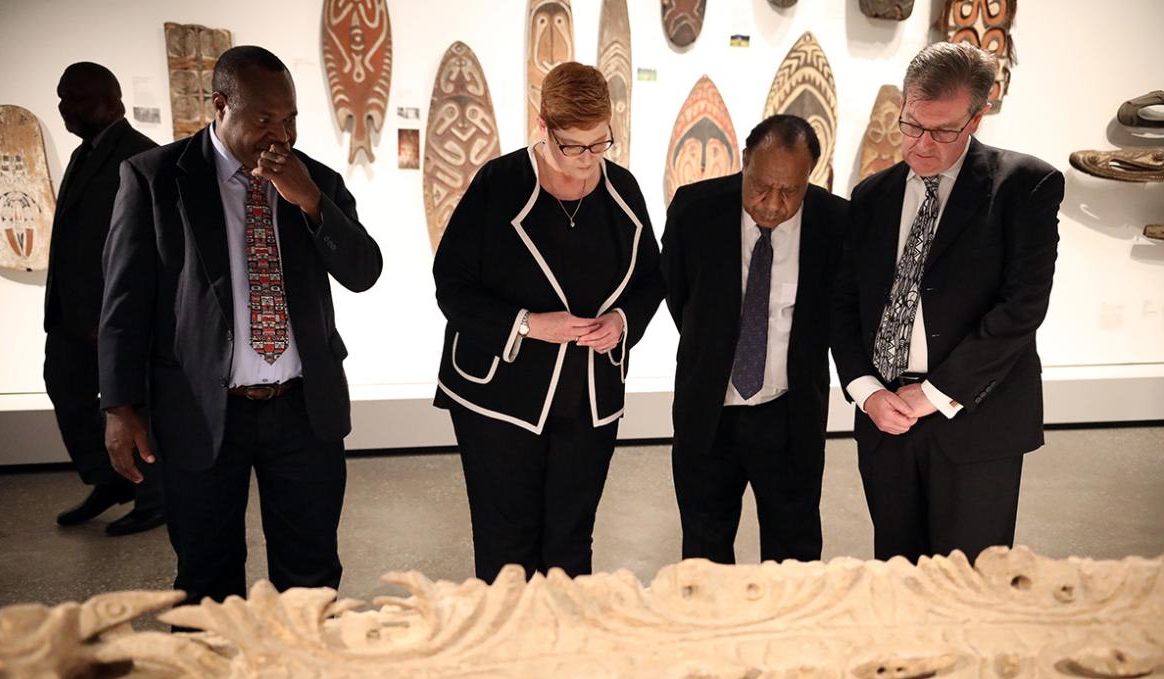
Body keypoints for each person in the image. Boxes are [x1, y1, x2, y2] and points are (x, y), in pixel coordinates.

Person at [98, 46, 383, 604]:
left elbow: (363, 271)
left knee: (312, 576)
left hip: (303, 411)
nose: (282, 135)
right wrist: (119, 408)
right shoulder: (156, 178)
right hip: (202, 410)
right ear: (221, 105)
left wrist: (309, 201)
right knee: (206, 578)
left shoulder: (313, 179)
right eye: (265, 119)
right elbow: (123, 304)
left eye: (291, 119)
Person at [830, 42, 1064, 563]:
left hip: (976, 420)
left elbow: (1021, 309)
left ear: (977, 118)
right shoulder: (871, 196)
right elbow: (844, 305)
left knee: (971, 581)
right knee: (898, 571)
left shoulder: (1025, 187)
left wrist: (934, 393)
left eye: (943, 131)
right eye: (911, 124)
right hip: (886, 419)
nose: (921, 145)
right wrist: (867, 392)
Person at [433, 62, 664, 583]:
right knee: (504, 545)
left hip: (589, 397)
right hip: (499, 398)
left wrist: (622, 321)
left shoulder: (623, 191)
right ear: (543, 127)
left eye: (599, 144)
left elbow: (653, 278)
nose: (587, 161)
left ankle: (565, 653)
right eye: (572, 147)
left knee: (570, 542)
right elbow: (451, 286)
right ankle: (508, 655)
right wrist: (529, 324)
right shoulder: (499, 183)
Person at [661, 115, 848, 564]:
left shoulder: (836, 222)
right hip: (709, 411)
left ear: (811, 178)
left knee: (794, 554)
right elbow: (679, 295)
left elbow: (840, 311)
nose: (772, 204)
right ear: (744, 162)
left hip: (789, 416)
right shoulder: (695, 209)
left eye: (790, 192)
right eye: (762, 186)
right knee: (704, 551)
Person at [44, 62, 162, 536]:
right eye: (62, 97)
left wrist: (122, 313)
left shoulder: (142, 156)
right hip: (71, 314)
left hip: (113, 313)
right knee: (66, 389)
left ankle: (154, 496)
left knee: (134, 406)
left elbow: (150, 248)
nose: (64, 108)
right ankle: (109, 479)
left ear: (111, 102)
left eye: (75, 98)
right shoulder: (83, 155)